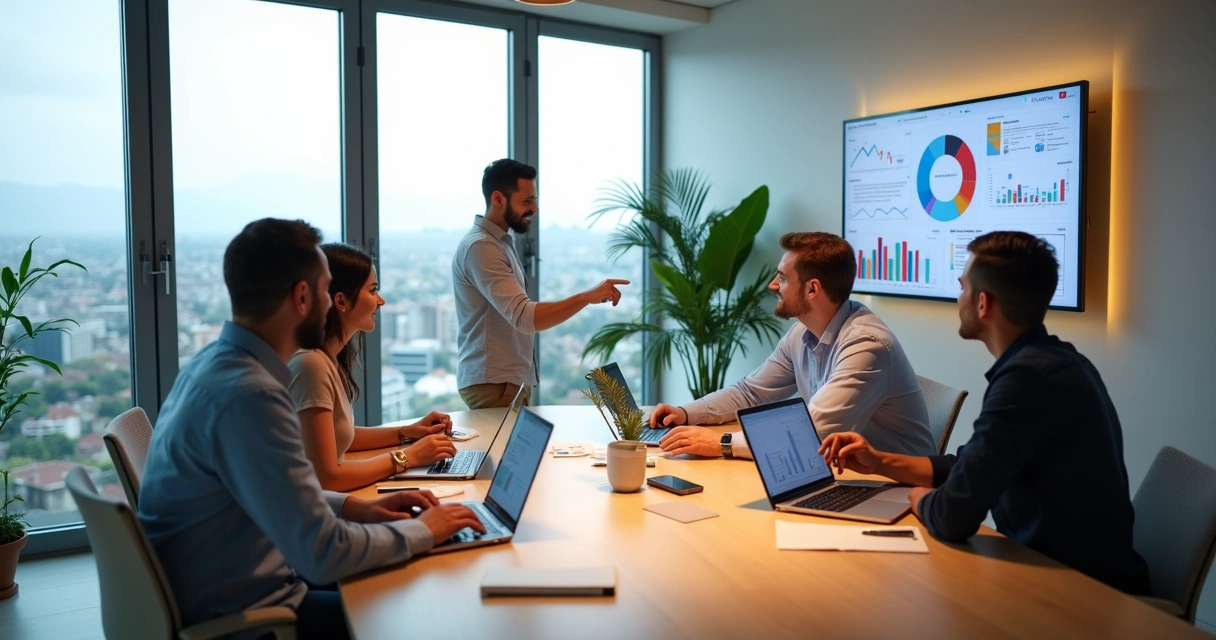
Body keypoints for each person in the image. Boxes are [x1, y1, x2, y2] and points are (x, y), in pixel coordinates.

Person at [138, 219, 485, 640]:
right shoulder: (252, 397)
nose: (329, 301)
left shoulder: (211, 367)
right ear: (302, 297)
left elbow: (275, 488)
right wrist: (423, 529)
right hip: (251, 616)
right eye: (324, 289)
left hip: (229, 589)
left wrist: (356, 508)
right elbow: (323, 553)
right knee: (426, 615)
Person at [819, 231, 1150, 595]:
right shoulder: (1055, 361)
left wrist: (916, 497)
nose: (957, 297)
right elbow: (967, 466)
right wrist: (879, 460)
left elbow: (952, 516)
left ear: (983, 304)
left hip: (1080, 592)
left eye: (962, 287)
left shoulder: (1027, 380)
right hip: (1060, 572)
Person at [651, 231, 935, 459]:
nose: (773, 285)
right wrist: (687, 413)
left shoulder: (866, 345)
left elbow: (810, 431)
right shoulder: (802, 332)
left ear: (812, 289)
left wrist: (723, 443)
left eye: (783, 278)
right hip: (843, 472)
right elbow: (751, 393)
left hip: (896, 490)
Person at [452, 158, 630, 409]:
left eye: (535, 200)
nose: (534, 208)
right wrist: (586, 297)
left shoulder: (499, 243)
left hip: (506, 383)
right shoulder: (483, 247)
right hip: (495, 385)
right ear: (498, 199)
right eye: (526, 201)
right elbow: (524, 317)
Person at [289, 242, 457, 492]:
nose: (381, 300)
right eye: (372, 290)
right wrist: (408, 457)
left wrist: (407, 432)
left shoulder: (327, 357)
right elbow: (327, 478)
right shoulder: (311, 364)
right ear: (341, 301)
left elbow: (339, 437)